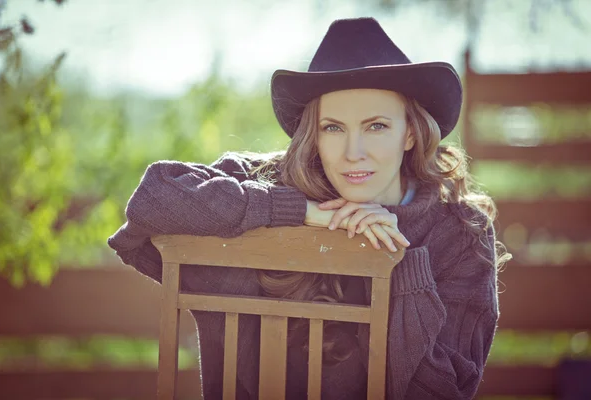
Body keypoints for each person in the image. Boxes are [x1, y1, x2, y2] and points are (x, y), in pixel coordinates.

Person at [108, 17, 510, 400]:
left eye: (376, 126)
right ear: (313, 136)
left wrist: (396, 261)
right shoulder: (267, 183)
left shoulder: (460, 233)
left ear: (410, 133)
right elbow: (153, 198)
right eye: (332, 128)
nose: (353, 153)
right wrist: (297, 210)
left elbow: (444, 391)